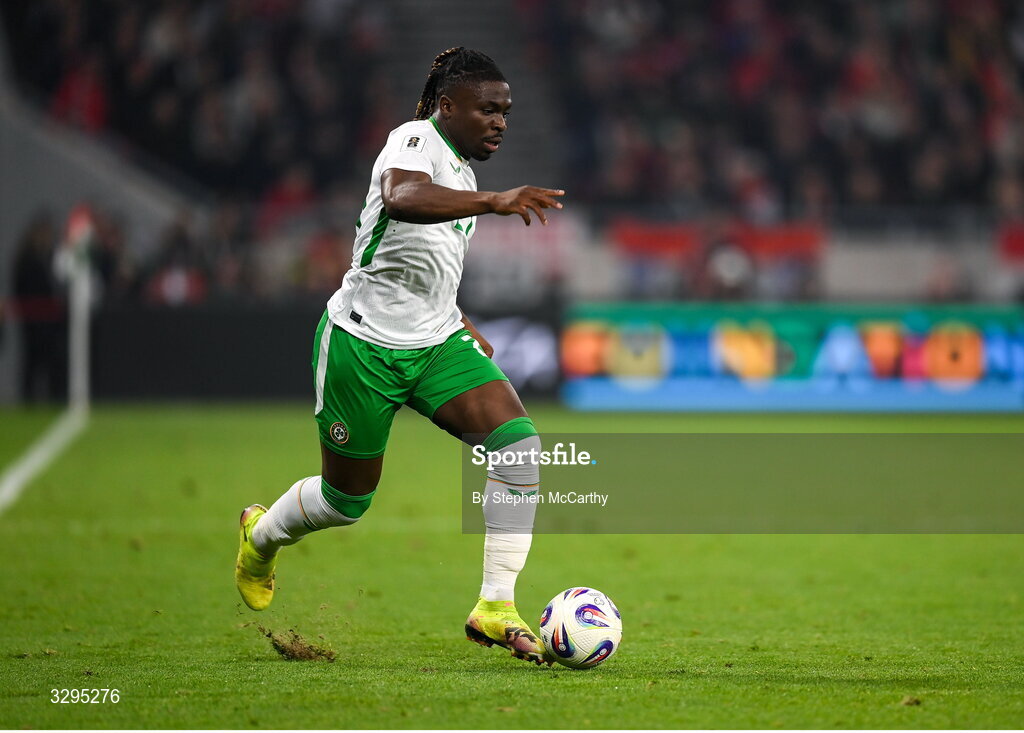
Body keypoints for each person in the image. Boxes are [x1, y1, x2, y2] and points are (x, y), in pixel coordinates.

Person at [234, 47, 564, 666]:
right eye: (488, 109)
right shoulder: (414, 140)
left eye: (507, 112)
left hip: (436, 338)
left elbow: (422, 258)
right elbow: (402, 199)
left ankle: (495, 605)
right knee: (345, 500)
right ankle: (260, 537)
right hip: (364, 342)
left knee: (518, 445)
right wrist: (496, 201)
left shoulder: (461, 171)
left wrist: (458, 315)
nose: (500, 122)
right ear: (448, 106)